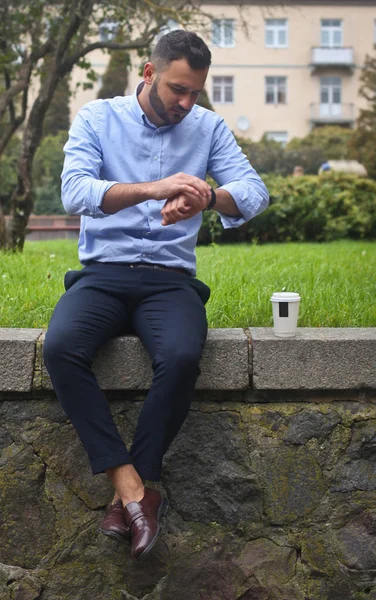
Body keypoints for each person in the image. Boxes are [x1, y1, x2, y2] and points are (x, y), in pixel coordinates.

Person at [43, 30, 269, 561]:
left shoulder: (207, 126)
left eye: (195, 92)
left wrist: (207, 196)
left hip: (169, 280)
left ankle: (134, 489)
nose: (186, 103)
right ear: (148, 73)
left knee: (183, 355)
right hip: (103, 273)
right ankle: (135, 488)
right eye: (176, 90)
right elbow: (75, 191)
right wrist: (157, 187)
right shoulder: (99, 118)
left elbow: (255, 193)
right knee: (60, 349)